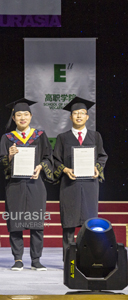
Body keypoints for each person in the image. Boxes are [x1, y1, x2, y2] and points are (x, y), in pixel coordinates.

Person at [0, 98, 54, 272]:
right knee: (15, 223)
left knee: (37, 224)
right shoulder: (7, 138)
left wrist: (40, 167)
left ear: (31, 116)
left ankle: (36, 260)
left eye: (26, 114)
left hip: (35, 184)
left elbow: (48, 158)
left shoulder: (40, 136)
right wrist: (9, 156)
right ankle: (18, 259)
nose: (22, 118)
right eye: (19, 115)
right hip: (15, 186)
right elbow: (0, 163)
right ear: (13, 118)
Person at [52, 96, 107, 259]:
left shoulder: (95, 136)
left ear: (87, 117)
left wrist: (97, 168)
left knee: (89, 225)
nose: (79, 116)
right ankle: (68, 260)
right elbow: (55, 160)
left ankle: (88, 259)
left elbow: (102, 156)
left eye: (82, 113)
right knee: (69, 225)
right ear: (70, 117)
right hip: (70, 186)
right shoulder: (63, 137)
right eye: (75, 113)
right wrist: (65, 169)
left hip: (90, 186)